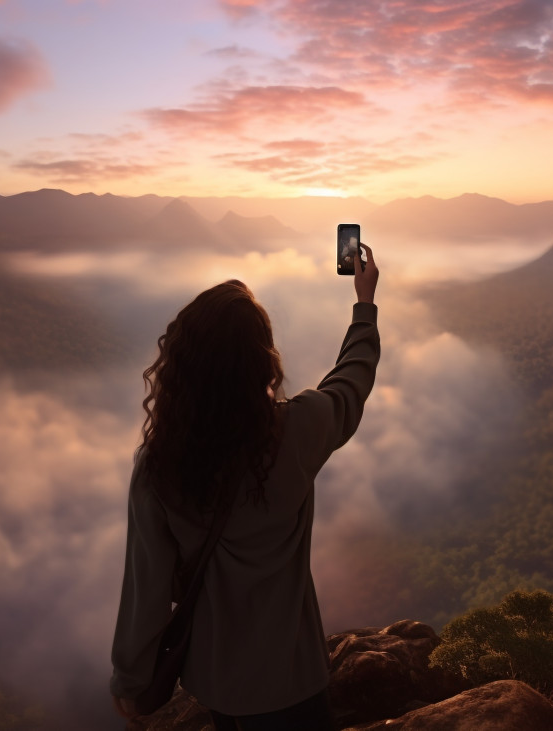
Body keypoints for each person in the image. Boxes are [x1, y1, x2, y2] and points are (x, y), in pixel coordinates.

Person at [110, 243, 380, 729]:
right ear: (261, 362)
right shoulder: (298, 430)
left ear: (181, 366)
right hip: (295, 679)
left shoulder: (159, 467)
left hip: (221, 686)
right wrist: (364, 305)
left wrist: (130, 683)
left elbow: (144, 590)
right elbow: (351, 382)